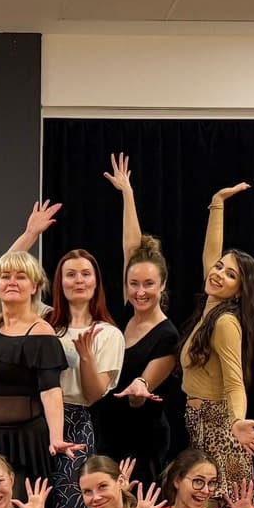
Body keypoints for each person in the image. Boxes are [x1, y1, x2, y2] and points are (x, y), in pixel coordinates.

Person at [178, 179, 254, 508]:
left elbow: (234, 382)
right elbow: (210, 256)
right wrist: (217, 203)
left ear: (240, 290)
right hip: (200, 421)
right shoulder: (211, 305)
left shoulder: (225, 322)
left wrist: (237, 421)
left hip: (221, 426)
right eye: (219, 268)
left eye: (230, 275)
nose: (218, 274)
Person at [95, 158, 182, 472]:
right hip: (107, 430)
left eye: (149, 284)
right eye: (134, 284)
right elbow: (131, 249)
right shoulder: (123, 312)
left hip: (142, 439)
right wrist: (127, 194)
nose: (140, 292)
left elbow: (141, 390)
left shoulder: (168, 335)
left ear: (163, 285)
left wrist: (138, 388)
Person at [0, 249, 72, 489]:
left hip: (23, 440)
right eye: (5, 276)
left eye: (21, 276)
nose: (12, 281)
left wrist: (56, 436)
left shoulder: (40, 333)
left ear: (34, 287)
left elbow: (51, 391)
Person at [43, 247, 124, 508]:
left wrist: (87, 356)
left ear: (96, 282)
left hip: (76, 423)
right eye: (71, 274)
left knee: (68, 507)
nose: (78, 280)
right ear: (59, 282)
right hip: (36, 419)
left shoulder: (109, 334)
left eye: (85, 274)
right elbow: (6, 285)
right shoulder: (45, 324)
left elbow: (94, 394)